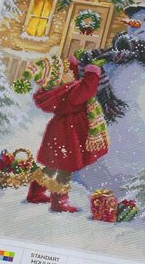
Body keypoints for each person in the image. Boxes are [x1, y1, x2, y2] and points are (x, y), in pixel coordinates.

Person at [22, 54, 108, 212]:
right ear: (59, 79)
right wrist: (92, 72)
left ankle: (36, 193)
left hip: (59, 132)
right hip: (68, 135)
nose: (71, 72)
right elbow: (86, 89)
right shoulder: (70, 92)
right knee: (65, 169)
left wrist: (74, 64)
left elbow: (73, 81)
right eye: (67, 71)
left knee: (52, 166)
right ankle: (59, 202)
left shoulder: (61, 91)